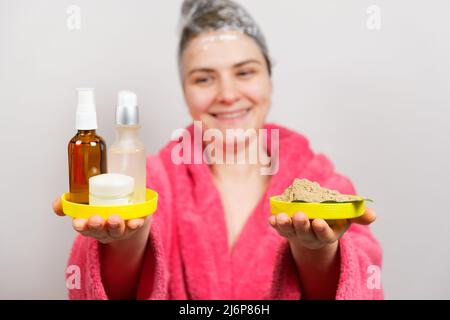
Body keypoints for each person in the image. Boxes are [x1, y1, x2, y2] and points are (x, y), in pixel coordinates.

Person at [53, 0, 382, 300]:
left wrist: (318, 252)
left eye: (245, 72)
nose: (227, 94)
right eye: (204, 79)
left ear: (269, 77)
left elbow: (363, 288)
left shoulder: (321, 183)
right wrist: (123, 243)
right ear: (185, 90)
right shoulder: (149, 183)